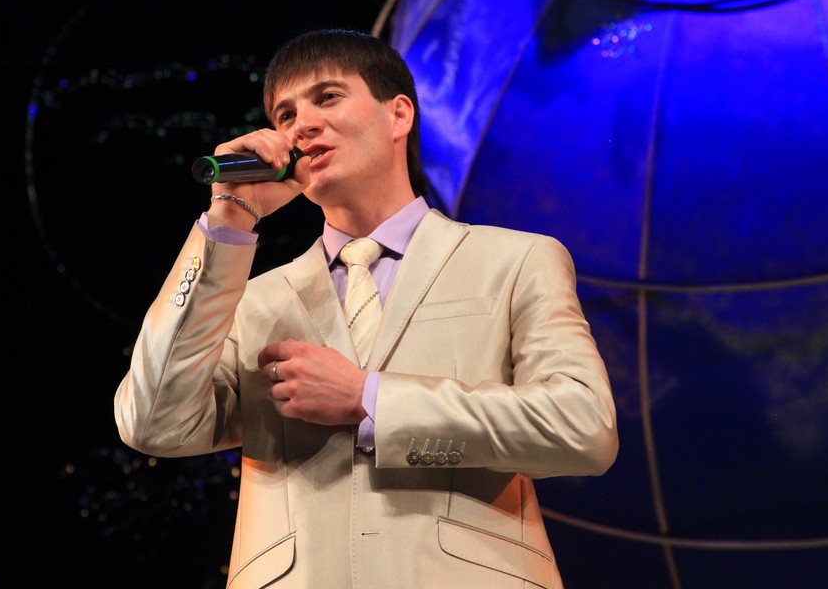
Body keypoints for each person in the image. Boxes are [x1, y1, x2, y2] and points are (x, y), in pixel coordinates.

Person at [114, 29, 618, 588]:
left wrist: (370, 399)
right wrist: (228, 222)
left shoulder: (515, 260)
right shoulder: (247, 300)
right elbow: (152, 423)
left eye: (327, 97)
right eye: (285, 115)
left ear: (398, 115)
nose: (301, 125)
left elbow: (583, 426)